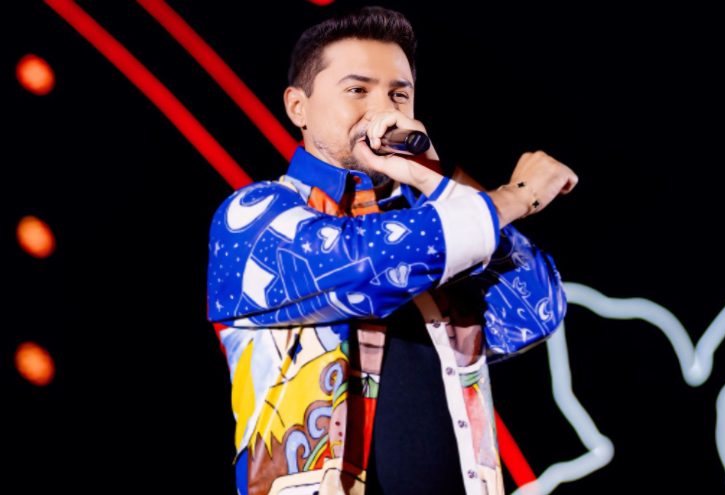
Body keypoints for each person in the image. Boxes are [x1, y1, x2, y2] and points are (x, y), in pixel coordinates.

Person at [206, 6, 578, 495]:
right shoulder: (252, 217)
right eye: (357, 90)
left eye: (399, 93)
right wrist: (516, 196)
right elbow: (367, 266)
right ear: (298, 107)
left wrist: (435, 179)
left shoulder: (440, 222)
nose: (384, 110)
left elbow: (535, 311)